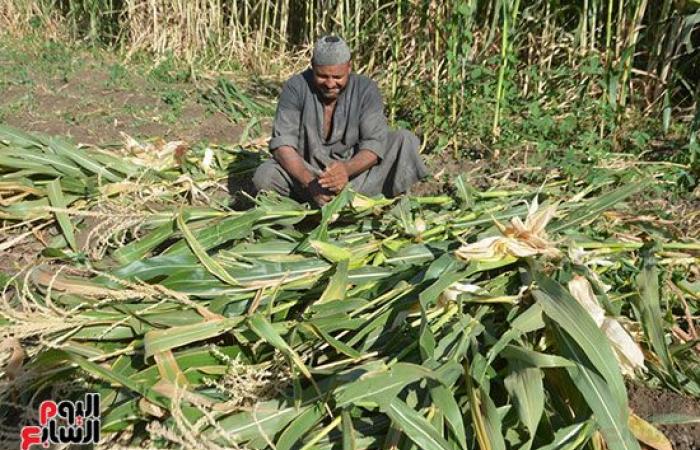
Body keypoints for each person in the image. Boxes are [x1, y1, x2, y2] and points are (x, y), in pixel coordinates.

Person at [252, 35, 428, 206]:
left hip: (355, 177)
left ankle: (366, 202)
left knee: (405, 140)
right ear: (312, 66)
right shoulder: (296, 87)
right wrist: (310, 183)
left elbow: (374, 144)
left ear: (349, 67)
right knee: (265, 177)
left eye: (337, 77)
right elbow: (283, 146)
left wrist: (346, 170)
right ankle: (314, 206)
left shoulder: (366, 89)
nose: (330, 84)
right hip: (310, 175)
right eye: (322, 76)